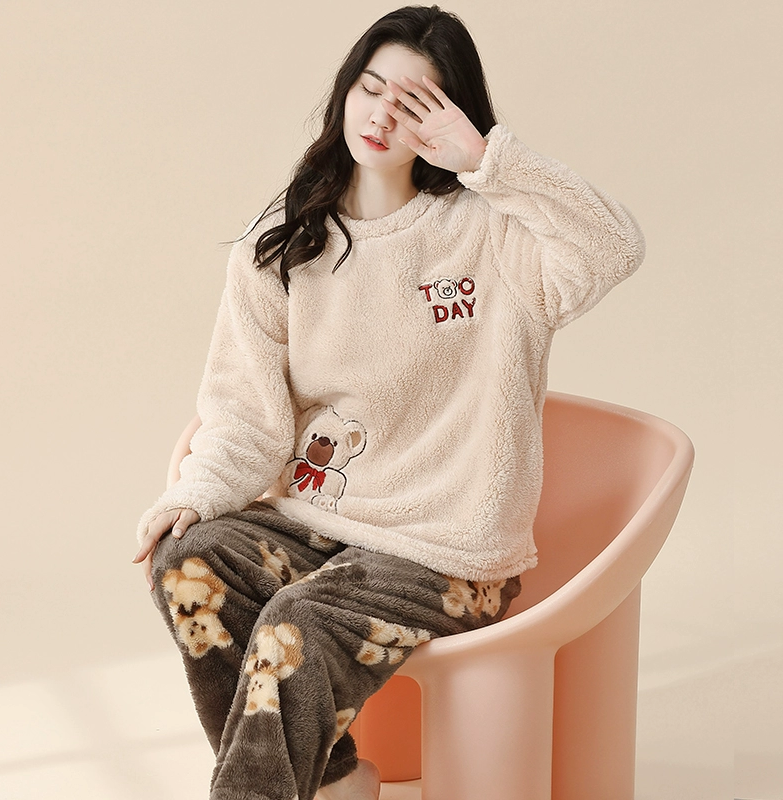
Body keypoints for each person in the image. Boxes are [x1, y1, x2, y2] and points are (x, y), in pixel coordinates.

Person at [133, 5, 645, 800]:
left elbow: (614, 246)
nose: (380, 116)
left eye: (412, 103)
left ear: (449, 117)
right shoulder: (282, 245)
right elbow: (245, 415)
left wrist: (488, 161)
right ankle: (335, 781)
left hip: (447, 554)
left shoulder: (492, 234)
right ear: (346, 90)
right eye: (370, 89)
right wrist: (194, 495)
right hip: (316, 526)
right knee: (187, 562)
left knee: (296, 625)